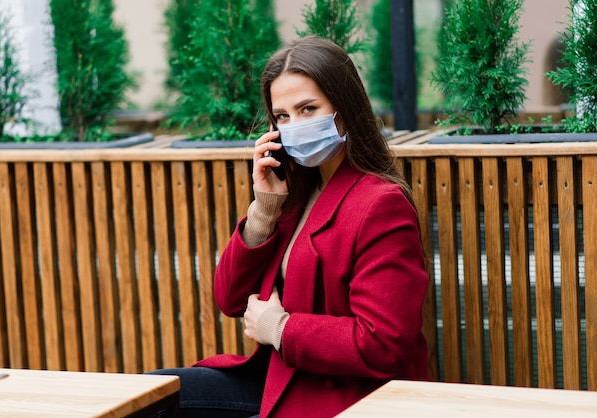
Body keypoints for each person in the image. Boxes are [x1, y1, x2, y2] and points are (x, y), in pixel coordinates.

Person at [150, 35, 429, 418]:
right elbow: (230, 298)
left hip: (345, 397)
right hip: (282, 379)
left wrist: (281, 328)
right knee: (150, 395)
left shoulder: (380, 204)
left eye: (308, 109)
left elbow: (383, 344)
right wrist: (264, 209)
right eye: (283, 116)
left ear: (344, 110)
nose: (294, 125)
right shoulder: (295, 192)